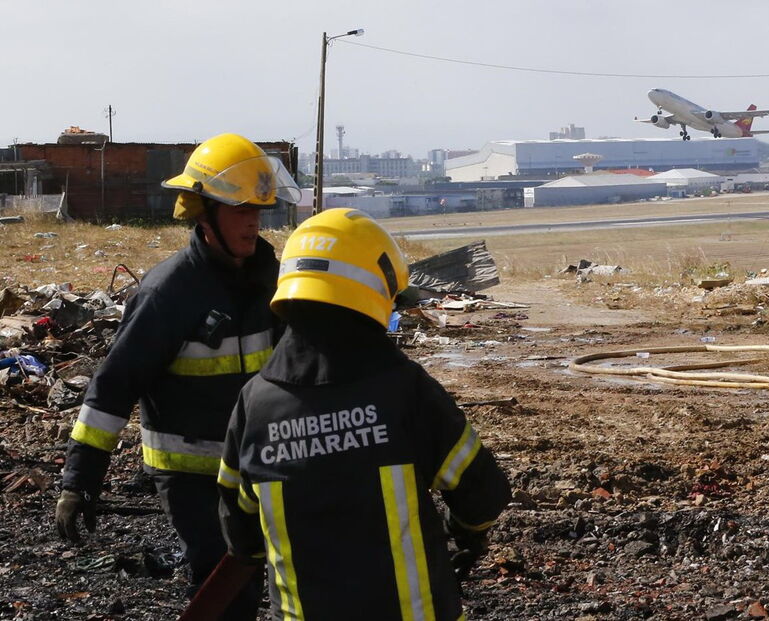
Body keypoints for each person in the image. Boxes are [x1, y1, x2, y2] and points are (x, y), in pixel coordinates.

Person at [217, 208, 512, 621]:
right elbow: (483, 493)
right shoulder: (405, 389)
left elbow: (241, 529)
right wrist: (468, 535)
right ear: (374, 292)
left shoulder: (255, 404)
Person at [55, 133, 301, 619]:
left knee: (270, 581)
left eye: (259, 210)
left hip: (259, 464)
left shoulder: (271, 281)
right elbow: (113, 387)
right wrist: (79, 481)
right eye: (240, 211)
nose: (254, 222)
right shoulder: (168, 294)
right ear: (202, 214)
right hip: (193, 476)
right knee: (221, 583)